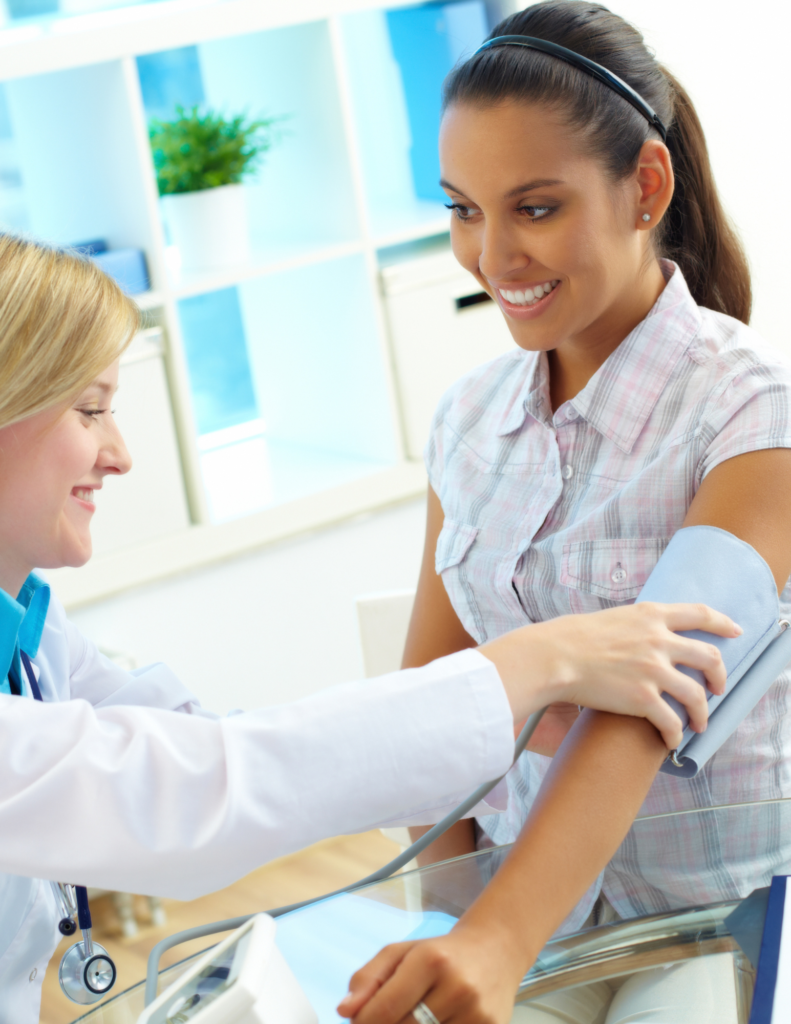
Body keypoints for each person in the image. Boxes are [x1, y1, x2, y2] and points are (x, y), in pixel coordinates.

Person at [0, 232, 733, 1022]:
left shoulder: (32, 628)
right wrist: (536, 662)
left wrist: (502, 700)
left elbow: (211, 747)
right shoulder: (469, 423)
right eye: (90, 409)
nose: (120, 455)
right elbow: (193, 791)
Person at [338, 4, 791, 1024]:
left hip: (724, 913)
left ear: (643, 186)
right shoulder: (466, 423)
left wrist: (493, 941)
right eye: (462, 209)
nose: (491, 255)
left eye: (533, 208)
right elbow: (435, 705)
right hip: (530, 917)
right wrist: (442, 930)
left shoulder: (754, 409)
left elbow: (650, 695)